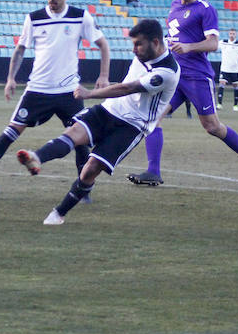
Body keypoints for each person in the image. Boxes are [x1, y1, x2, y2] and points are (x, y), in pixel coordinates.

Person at [15, 19, 180, 225]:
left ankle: (59, 213)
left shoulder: (167, 73)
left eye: (138, 44)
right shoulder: (152, 47)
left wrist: (90, 93)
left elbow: (127, 88)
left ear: (155, 43)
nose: (134, 50)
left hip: (132, 125)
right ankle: (36, 157)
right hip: (110, 109)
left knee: (90, 169)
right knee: (73, 133)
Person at [0, 0, 111, 184]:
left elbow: (103, 44)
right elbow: (20, 50)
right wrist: (11, 78)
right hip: (38, 89)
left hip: (69, 91)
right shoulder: (34, 18)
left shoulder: (80, 17)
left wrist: (104, 75)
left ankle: (83, 190)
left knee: (80, 139)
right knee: (11, 131)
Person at [126, 0, 238, 189]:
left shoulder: (205, 10)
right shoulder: (174, 6)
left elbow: (213, 43)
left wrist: (188, 47)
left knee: (212, 126)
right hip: (174, 76)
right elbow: (172, 38)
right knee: (153, 119)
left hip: (197, 77)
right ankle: (153, 172)